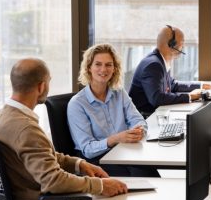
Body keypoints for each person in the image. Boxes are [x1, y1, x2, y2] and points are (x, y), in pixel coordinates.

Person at [0, 58, 127, 200]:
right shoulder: (26, 129)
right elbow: (53, 181)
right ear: (42, 86)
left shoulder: (1, 116)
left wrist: (79, 164)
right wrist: (100, 186)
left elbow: (43, 155)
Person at [67, 43, 159, 177]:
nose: (103, 70)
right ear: (89, 68)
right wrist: (115, 139)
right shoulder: (77, 104)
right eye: (98, 64)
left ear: (114, 69)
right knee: (142, 175)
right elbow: (87, 149)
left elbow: (138, 120)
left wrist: (138, 130)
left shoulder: (119, 93)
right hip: (96, 162)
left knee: (149, 170)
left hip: (123, 152)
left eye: (108, 65)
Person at [129, 25, 211, 117]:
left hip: (155, 115)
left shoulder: (160, 61)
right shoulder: (154, 65)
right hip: (145, 119)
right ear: (171, 45)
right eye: (182, 43)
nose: (183, 46)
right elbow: (157, 99)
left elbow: (173, 85)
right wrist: (190, 96)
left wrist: (203, 85)